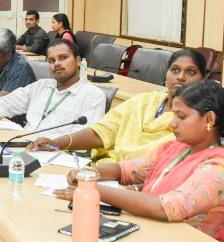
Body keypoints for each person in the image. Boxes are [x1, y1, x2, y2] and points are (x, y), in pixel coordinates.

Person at [53, 80, 224, 242]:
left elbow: (163, 208)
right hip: (156, 237)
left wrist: (92, 189)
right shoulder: (177, 148)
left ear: (209, 119)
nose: (172, 123)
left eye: (181, 116)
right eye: (173, 115)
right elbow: (125, 170)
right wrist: (89, 173)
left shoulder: (220, 170)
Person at [31, 48, 208, 163]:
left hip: (139, 185)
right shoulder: (144, 101)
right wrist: (57, 143)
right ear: (166, 74)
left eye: (190, 72)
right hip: (104, 172)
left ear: (203, 79)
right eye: (175, 70)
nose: (181, 77)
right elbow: (104, 131)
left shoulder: (196, 122)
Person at [0, 40, 106, 137]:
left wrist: (54, 144)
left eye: (63, 58)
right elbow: (8, 102)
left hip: (58, 154)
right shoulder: (41, 86)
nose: (57, 64)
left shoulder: (93, 95)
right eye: (51, 61)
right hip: (24, 145)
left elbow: (87, 136)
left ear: (78, 61)